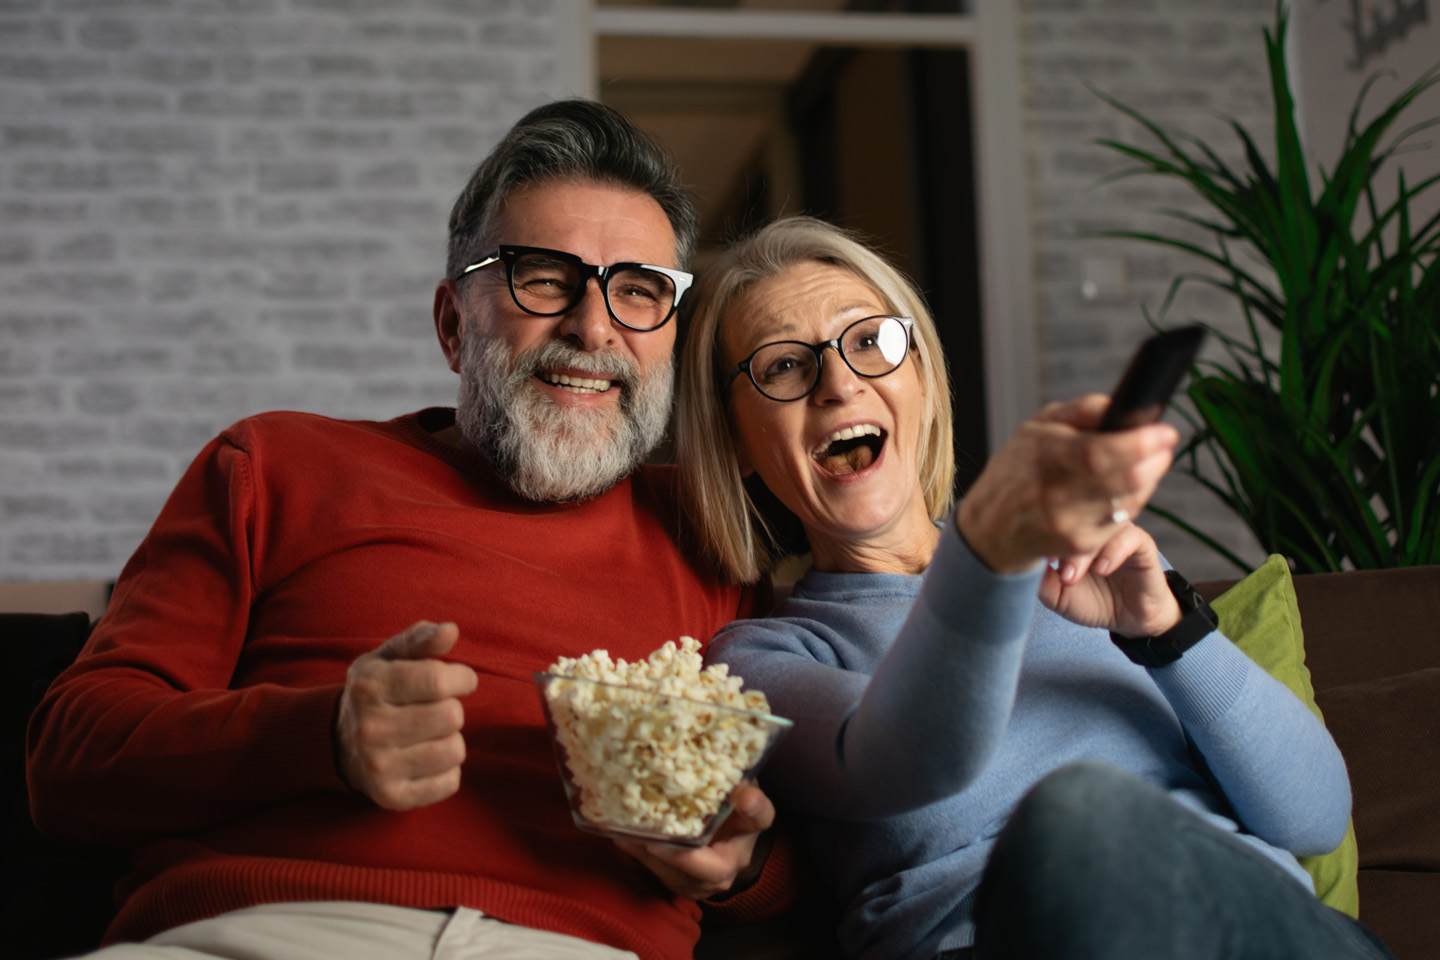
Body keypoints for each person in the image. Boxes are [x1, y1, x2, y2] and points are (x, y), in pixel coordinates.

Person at [25, 99, 792, 960]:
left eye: (641, 291)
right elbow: (71, 759)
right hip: (264, 931)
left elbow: (795, 851)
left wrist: (742, 864)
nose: (593, 326)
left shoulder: (711, 530)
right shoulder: (275, 465)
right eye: (543, 277)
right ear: (453, 325)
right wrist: (320, 738)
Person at [674, 215, 1395, 960]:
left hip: (1250, 930)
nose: (840, 382)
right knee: (1078, 815)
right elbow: (900, 759)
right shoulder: (757, 661)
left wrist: (1169, 631)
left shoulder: (1091, 577)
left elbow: (1313, 819)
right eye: (785, 366)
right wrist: (992, 556)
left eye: (868, 341)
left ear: (920, 378)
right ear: (736, 444)